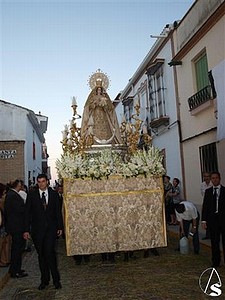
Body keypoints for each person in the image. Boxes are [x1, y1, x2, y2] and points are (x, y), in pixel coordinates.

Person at [23, 174, 63, 290]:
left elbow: (57, 212)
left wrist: (60, 227)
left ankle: (56, 280)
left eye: (43, 181)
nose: (41, 184)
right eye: (39, 182)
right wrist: (26, 230)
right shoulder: (32, 196)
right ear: (37, 183)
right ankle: (44, 280)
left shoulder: (54, 195)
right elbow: (27, 214)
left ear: (47, 182)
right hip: (37, 231)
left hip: (51, 230)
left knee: (50, 253)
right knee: (41, 255)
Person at [4, 180, 27, 278]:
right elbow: (18, 210)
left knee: (17, 249)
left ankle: (16, 268)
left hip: (16, 226)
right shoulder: (12, 195)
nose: (22, 187)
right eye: (21, 185)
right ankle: (15, 270)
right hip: (16, 227)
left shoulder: (12, 194)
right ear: (18, 185)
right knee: (17, 249)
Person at [202, 171, 225, 268]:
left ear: (219, 179)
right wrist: (204, 220)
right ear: (211, 180)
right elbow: (205, 207)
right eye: (213, 178)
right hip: (212, 220)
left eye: (216, 178)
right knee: (214, 242)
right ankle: (216, 261)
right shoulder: (208, 192)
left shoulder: (224, 190)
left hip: (223, 219)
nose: (215, 180)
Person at [200, 172, 212, 240]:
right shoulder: (202, 184)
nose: (206, 177)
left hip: (213, 204)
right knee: (206, 220)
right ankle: (208, 235)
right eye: (205, 176)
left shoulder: (212, 184)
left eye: (207, 176)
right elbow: (202, 194)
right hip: (206, 204)